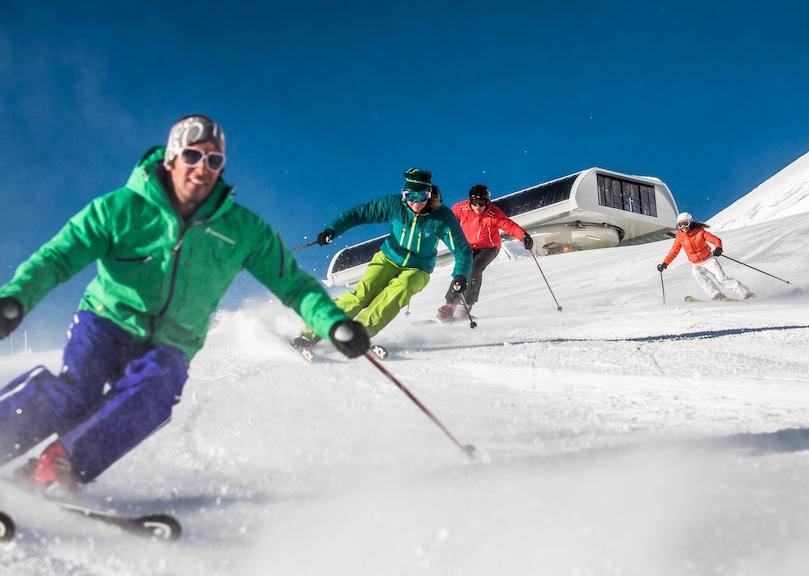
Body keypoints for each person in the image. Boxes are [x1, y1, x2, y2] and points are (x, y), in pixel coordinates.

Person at [0, 115, 369, 491]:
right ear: (171, 158)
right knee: (77, 391)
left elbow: (293, 284)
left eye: (213, 161)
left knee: (157, 391)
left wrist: (333, 324)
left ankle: (55, 467)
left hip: (173, 340)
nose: (202, 168)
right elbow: (57, 257)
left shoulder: (241, 229)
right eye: (193, 156)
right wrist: (14, 300)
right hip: (108, 319)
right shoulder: (122, 208)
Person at [293, 168, 472, 346]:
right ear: (404, 194)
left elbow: (461, 250)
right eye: (411, 197)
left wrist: (460, 274)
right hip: (388, 258)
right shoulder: (394, 205)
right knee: (362, 295)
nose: (416, 204)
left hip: (419, 268)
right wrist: (333, 229)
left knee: (396, 293)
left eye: (422, 197)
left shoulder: (442, 217)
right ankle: (311, 331)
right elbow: (360, 213)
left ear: (429, 194)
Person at [436, 184, 532, 321]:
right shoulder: (461, 208)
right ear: (470, 201)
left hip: (489, 247)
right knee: (462, 271)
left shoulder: (494, 213)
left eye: (481, 202)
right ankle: (450, 305)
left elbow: (509, 226)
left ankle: (466, 306)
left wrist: (524, 236)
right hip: (469, 247)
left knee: (475, 269)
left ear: (488, 202)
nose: (478, 206)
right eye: (475, 202)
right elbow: (448, 219)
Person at [657, 212, 753, 300]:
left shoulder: (700, 232)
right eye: (680, 225)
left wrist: (718, 248)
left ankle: (745, 292)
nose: (683, 227)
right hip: (696, 263)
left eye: (685, 223)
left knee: (721, 279)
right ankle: (715, 294)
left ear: (690, 222)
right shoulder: (679, 237)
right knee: (698, 275)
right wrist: (665, 263)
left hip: (709, 259)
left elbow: (716, 240)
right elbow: (674, 251)